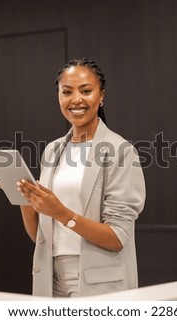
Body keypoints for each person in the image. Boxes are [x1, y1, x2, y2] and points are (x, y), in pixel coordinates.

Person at [16, 58, 146, 297]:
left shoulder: (120, 151)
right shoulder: (53, 151)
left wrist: (61, 213)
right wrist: (24, 198)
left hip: (98, 282)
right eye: (67, 92)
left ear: (101, 95)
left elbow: (117, 237)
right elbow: (41, 236)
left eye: (86, 91)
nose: (76, 99)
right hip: (49, 278)